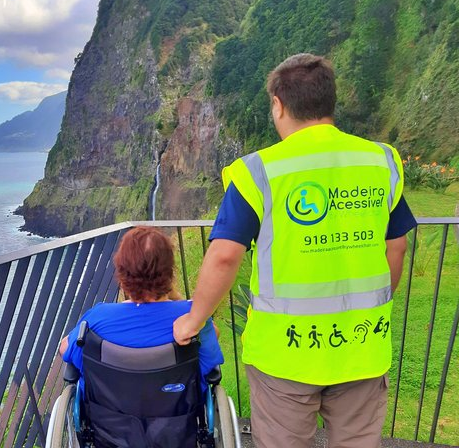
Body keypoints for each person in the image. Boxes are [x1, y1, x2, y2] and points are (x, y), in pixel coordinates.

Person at [173, 53, 417, 448]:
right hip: (361, 347)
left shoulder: (259, 171)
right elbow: (397, 245)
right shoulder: (378, 162)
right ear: (329, 102)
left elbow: (224, 256)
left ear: (278, 104)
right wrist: (376, 303)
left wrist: (193, 321)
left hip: (284, 355)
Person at [60, 226, 223, 395]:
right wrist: (178, 298)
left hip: (108, 416)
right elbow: (213, 338)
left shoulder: (97, 318)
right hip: (180, 415)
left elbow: (66, 349)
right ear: (170, 273)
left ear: (122, 275)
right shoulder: (191, 317)